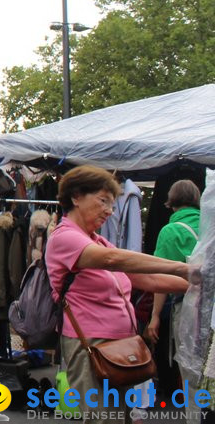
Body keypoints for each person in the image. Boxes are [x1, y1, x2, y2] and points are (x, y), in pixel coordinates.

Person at [45, 166, 192, 420]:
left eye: (112, 204)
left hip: (119, 347)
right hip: (91, 345)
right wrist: (183, 267)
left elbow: (148, 279)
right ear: (76, 196)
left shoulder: (97, 240)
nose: (109, 211)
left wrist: (197, 283)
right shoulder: (64, 237)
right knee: (104, 417)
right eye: (103, 201)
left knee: (119, 415)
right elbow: (114, 259)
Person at [143, 179, 201, 402]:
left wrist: (155, 316)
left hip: (185, 306)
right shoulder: (210, 225)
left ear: (171, 200)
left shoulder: (170, 230)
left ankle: (195, 414)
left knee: (188, 364)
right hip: (211, 307)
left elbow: (160, 279)